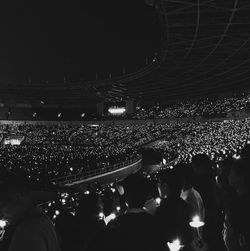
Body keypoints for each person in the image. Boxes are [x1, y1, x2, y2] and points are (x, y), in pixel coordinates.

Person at [0, 175, 60, 251]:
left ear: (17, 197)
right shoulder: (40, 222)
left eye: (1, 205)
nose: (0, 213)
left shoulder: (28, 230)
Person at [155, 169, 192, 249]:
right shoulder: (184, 205)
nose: (157, 185)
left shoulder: (163, 209)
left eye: (158, 182)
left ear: (165, 186)